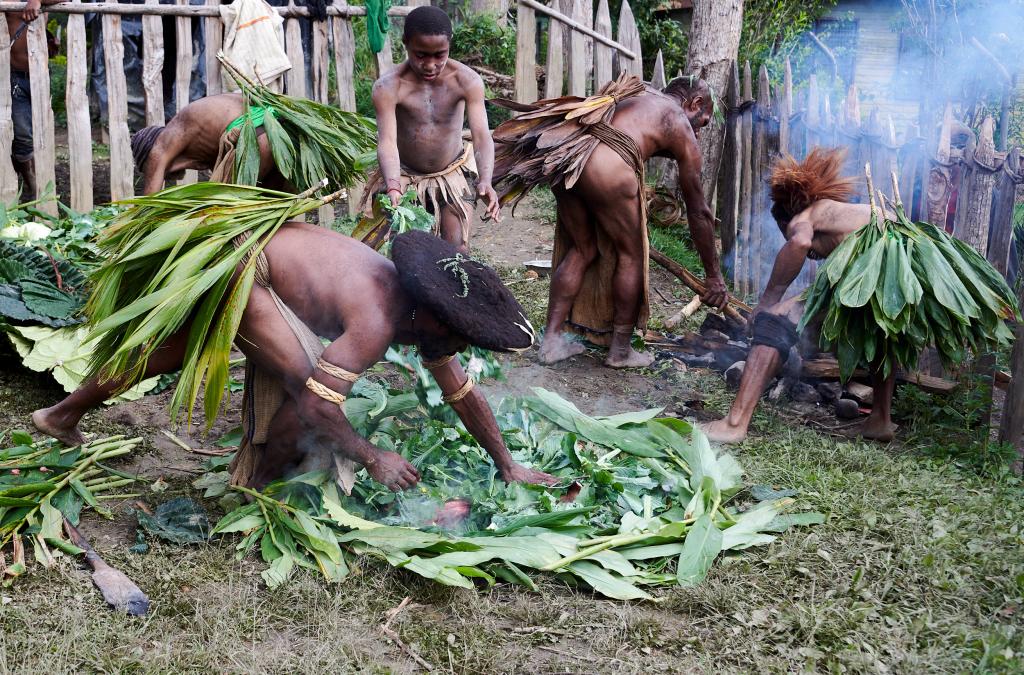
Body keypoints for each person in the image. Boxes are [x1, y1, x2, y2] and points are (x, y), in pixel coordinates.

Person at [32, 228, 556, 491]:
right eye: (461, 338)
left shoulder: (430, 319)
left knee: (168, 353)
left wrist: (508, 464)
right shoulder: (377, 317)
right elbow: (315, 407)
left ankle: (60, 415)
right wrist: (373, 456)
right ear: (438, 316)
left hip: (261, 257)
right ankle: (261, 487)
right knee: (309, 387)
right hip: (247, 268)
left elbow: (460, 391)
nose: (459, 350)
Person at [490, 74, 728, 368]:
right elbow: (698, 210)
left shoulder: (642, 94)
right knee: (632, 255)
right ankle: (620, 351)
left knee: (583, 248)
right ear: (696, 103)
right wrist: (713, 276)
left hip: (571, 154)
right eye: (702, 123)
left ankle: (550, 342)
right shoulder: (677, 118)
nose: (698, 134)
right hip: (607, 165)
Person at [701, 148, 897, 444]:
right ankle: (880, 420)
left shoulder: (803, 218)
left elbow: (800, 241)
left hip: (874, 268)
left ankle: (733, 424)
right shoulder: (842, 214)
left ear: (785, 219)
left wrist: (768, 301)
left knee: (774, 320)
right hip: (899, 270)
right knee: (882, 336)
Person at [362, 5, 499, 252]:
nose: (430, 65)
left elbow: (481, 136)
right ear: (405, 43)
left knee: (457, 248)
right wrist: (393, 185)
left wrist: (486, 180)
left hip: (452, 172)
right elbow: (387, 142)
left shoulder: (466, 80)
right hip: (405, 175)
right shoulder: (389, 87)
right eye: (421, 54)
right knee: (408, 250)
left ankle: (455, 290)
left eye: (439, 54)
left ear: (449, 45)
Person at [131, 93, 285, 195]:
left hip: (254, 139)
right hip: (281, 139)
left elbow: (149, 204)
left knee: (217, 214)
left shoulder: (161, 144)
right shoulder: (198, 145)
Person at [6, 0, 61, 201]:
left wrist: (36, 0)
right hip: (14, 76)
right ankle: (30, 181)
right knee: (22, 134)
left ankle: (39, 185)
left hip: (40, 75)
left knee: (41, 133)